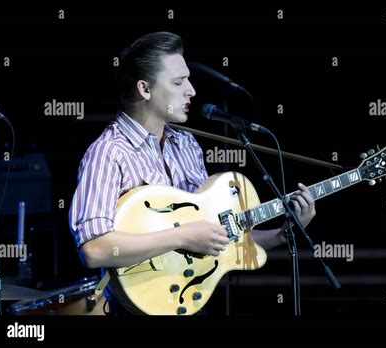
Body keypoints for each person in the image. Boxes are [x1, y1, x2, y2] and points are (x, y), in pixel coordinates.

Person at [68, 32, 316, 315]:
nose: (191, 91)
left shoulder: (186, 145)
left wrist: (283, 234)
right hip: (134, 309)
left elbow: (215, 236)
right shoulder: (108, 153)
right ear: (144, 89)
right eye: (178, 82)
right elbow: (93, 249)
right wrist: (182, 236)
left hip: (188, 300)